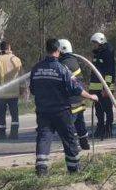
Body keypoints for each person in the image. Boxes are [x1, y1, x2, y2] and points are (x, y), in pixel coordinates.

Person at [30, 38, 99, 176]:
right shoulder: (62, 69)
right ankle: (74, 169)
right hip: (61, 111)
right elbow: (75, 89)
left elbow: (32, 89)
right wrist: (91, 96)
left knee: (43, 138)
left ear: (47, 50)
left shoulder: (36, 68)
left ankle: (41, 170)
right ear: (58, 51)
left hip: (43, 111)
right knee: (69, 139)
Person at [57, 39, 91, 150]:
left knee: (69, 124)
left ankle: (73, 145)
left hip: (70, 100)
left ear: (62, 50)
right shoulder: (73, 61)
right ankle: (84, 143)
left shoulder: (63, 64)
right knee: (80, 122)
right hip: (79, 98)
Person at [0, 41, 25, 139]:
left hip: (2, 94)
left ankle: (1, 133)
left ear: (1, 49)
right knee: (14, 114)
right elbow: (22, 76)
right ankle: (14, 133)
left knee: (1, 114)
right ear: (10, 48)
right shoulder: (16, 59)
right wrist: (22, 88)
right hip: (14, 93)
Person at [89, 32, 116, 138]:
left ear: (101, 42)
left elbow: (110, 72)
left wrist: (106, 88)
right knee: (98, 111)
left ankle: (108, 129)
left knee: (107, 109)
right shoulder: (96, 54)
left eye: (95, 43)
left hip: (105, 88)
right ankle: (100, 129)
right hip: (96, 89)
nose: (94, 45)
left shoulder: (108, 54)